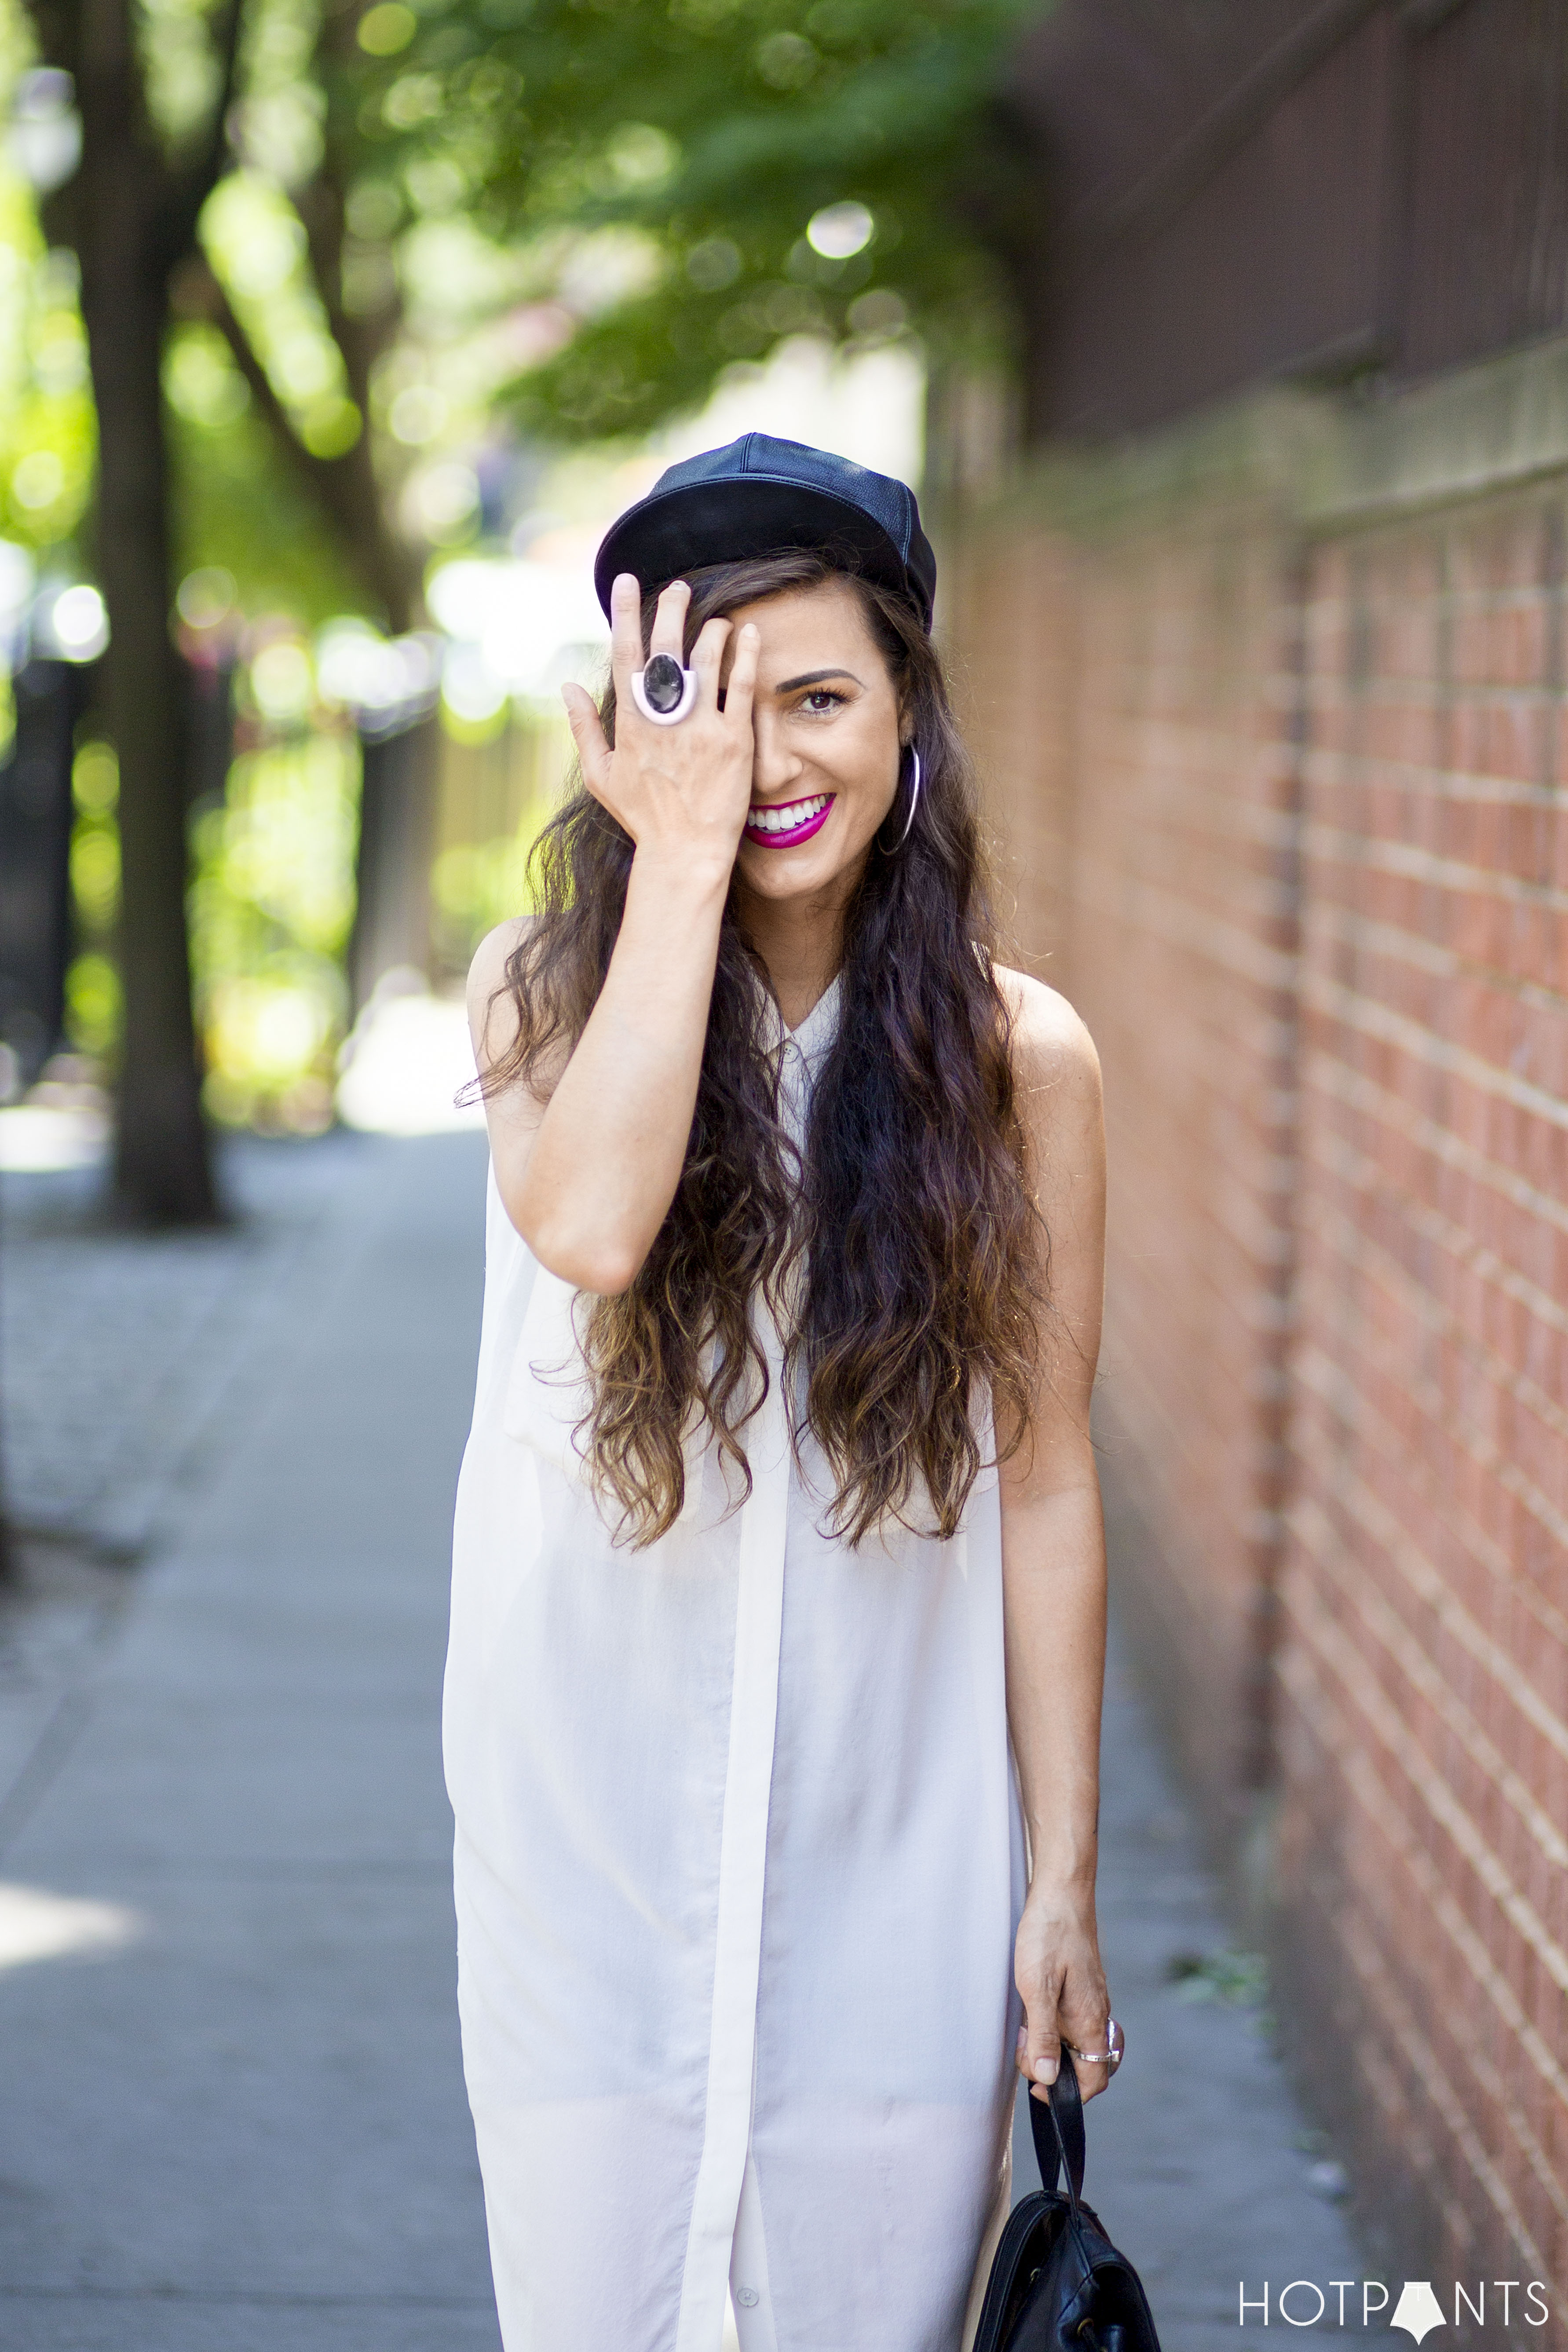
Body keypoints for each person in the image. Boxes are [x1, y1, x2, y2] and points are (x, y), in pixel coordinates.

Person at [445, 434, 1116, 2352]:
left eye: (818, 695)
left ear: (912, 709)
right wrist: (671, 860)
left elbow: (1049, 1478)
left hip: (896, 1871)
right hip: (585, 1868)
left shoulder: (1019, 1059)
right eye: (710, 699)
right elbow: (590, 1221)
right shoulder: (541, 993)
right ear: (634, 727)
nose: (770, 756)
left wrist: (1058, 1871)